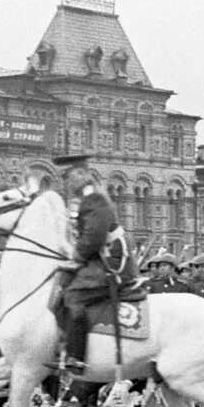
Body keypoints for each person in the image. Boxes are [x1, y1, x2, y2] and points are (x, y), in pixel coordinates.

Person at [56, 154, 139, 374]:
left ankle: (76, 356)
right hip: (98, 259)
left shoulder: (93, 198)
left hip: (109, 263)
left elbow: (94, 235)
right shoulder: (85, 198)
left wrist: (76, 257)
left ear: (82, 174)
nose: (66, 182)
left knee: (73, 296)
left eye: (69, 176)